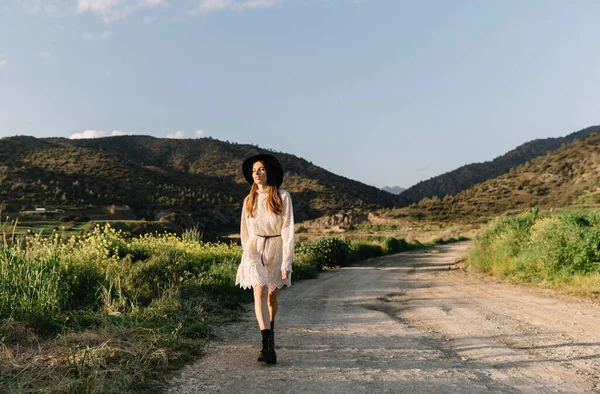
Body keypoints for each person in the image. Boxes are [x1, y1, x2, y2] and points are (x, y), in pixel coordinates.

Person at [235, 153, 294, 364]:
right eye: (253, 171)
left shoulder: (283, 197)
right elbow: (244, 231)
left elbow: (287, 230)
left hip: (276, 248)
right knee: (258, 290)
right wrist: (246, 254)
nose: (256, 173)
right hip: (255, 248)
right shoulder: (248, 200)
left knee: (271, 296)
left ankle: (270, 326)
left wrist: (287, 260)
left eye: (260, 169)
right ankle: (267, 345)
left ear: (269, 171)